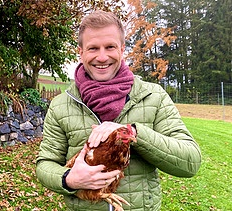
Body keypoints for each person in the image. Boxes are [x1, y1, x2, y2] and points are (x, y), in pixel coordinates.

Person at [36, 10, 202, 211]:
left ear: (122, 49)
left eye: (110, 47)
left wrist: (133, 132)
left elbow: (190, 162)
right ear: (80, 52)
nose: (102, 57)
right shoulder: (62, 104)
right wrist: (68, 179)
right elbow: (45, 163)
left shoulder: (153, 96)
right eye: (93, 48)